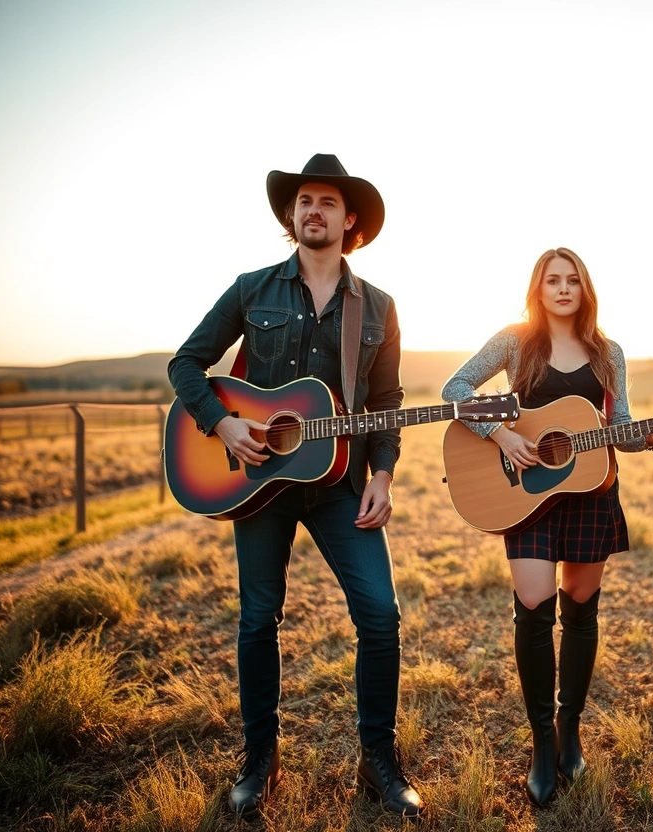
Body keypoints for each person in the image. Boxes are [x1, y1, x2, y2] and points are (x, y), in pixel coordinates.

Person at [168, 154, 424, 818]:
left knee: (381, 616)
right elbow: (185, 363)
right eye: (304, 200)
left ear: (350, 220)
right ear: (292, 214)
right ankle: (260, 760)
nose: (313, 210)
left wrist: (384, 474)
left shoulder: (378, 307)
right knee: (258, 619)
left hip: (341, 484)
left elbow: (387, 401)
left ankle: (378, 761)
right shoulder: (252, 290)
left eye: (327, 202)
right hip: (260, 481)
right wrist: (223, 423)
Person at [442, 247, 653, 805]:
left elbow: (620, 427)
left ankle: (568, 727)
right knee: (533, 607)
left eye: (572, 279)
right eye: (552, 280)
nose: (563, 288)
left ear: (585, 288)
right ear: (538, 288)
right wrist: (501, 434)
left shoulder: (608, 352)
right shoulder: (514, 342)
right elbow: (455, 391)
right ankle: (541, 743)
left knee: (580, 609)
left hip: (589, 490)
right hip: (524, 493)